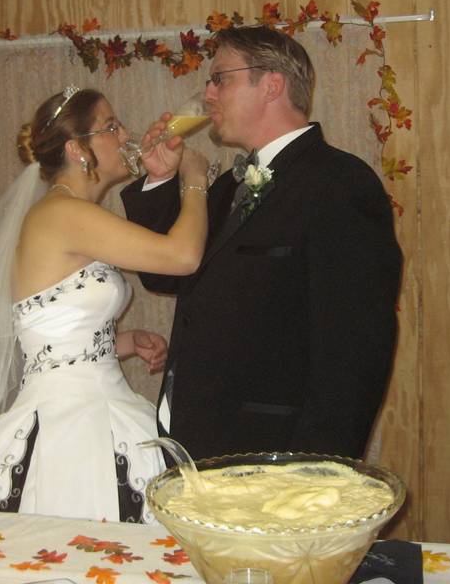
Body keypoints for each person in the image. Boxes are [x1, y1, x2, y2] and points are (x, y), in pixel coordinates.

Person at [121, 25, 402, 461]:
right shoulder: (229, 186)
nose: (208, 94)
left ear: (272, 84)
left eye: (221, 79)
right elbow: (165, 271)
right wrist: (160, 178)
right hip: (199, 439)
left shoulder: (339, 184)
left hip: (273, 453)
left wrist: (317, 472)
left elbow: (354, 353)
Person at [0, 87, 209, 524]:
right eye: (112, 127)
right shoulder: (63, 215)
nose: (128, 135)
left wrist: (126, 340)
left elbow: (53, 340)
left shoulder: (72, 214)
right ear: (77, 149)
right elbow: (182, 257)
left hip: (99, 406)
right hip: (71, 429)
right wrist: (194, 179)